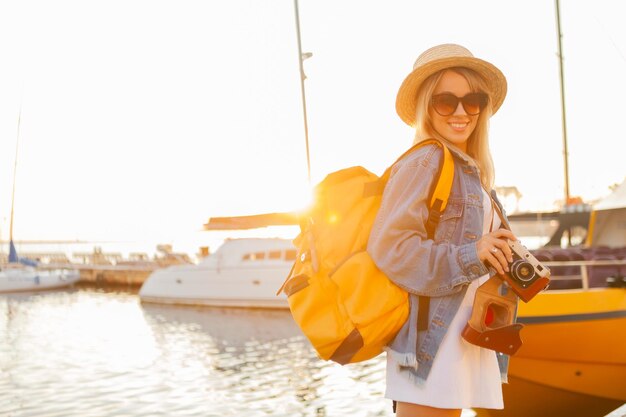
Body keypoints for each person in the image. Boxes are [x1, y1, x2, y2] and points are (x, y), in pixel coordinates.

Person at [368, 44, 518, 417]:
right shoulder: (426, 159)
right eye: (446, 101)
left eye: (473, 100)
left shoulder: (472, 173)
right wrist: (472, 253)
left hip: (459, 332)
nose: (461, 112)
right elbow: (391, 249)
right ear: (425, 105)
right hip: (427, 341)